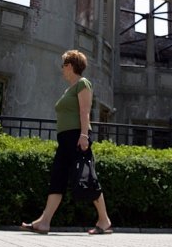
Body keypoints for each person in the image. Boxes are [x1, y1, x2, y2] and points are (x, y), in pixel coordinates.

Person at [20, 49, 113, 235]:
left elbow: (85, 111)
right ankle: (44, 222)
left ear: (70, 66)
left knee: (87, 177)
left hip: (78, 137)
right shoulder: (68, 89)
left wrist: (84, 136)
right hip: (64, 139)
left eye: (63, 65)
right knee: (58, 177)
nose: (62, 69)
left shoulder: (83, 84)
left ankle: (104, 220)